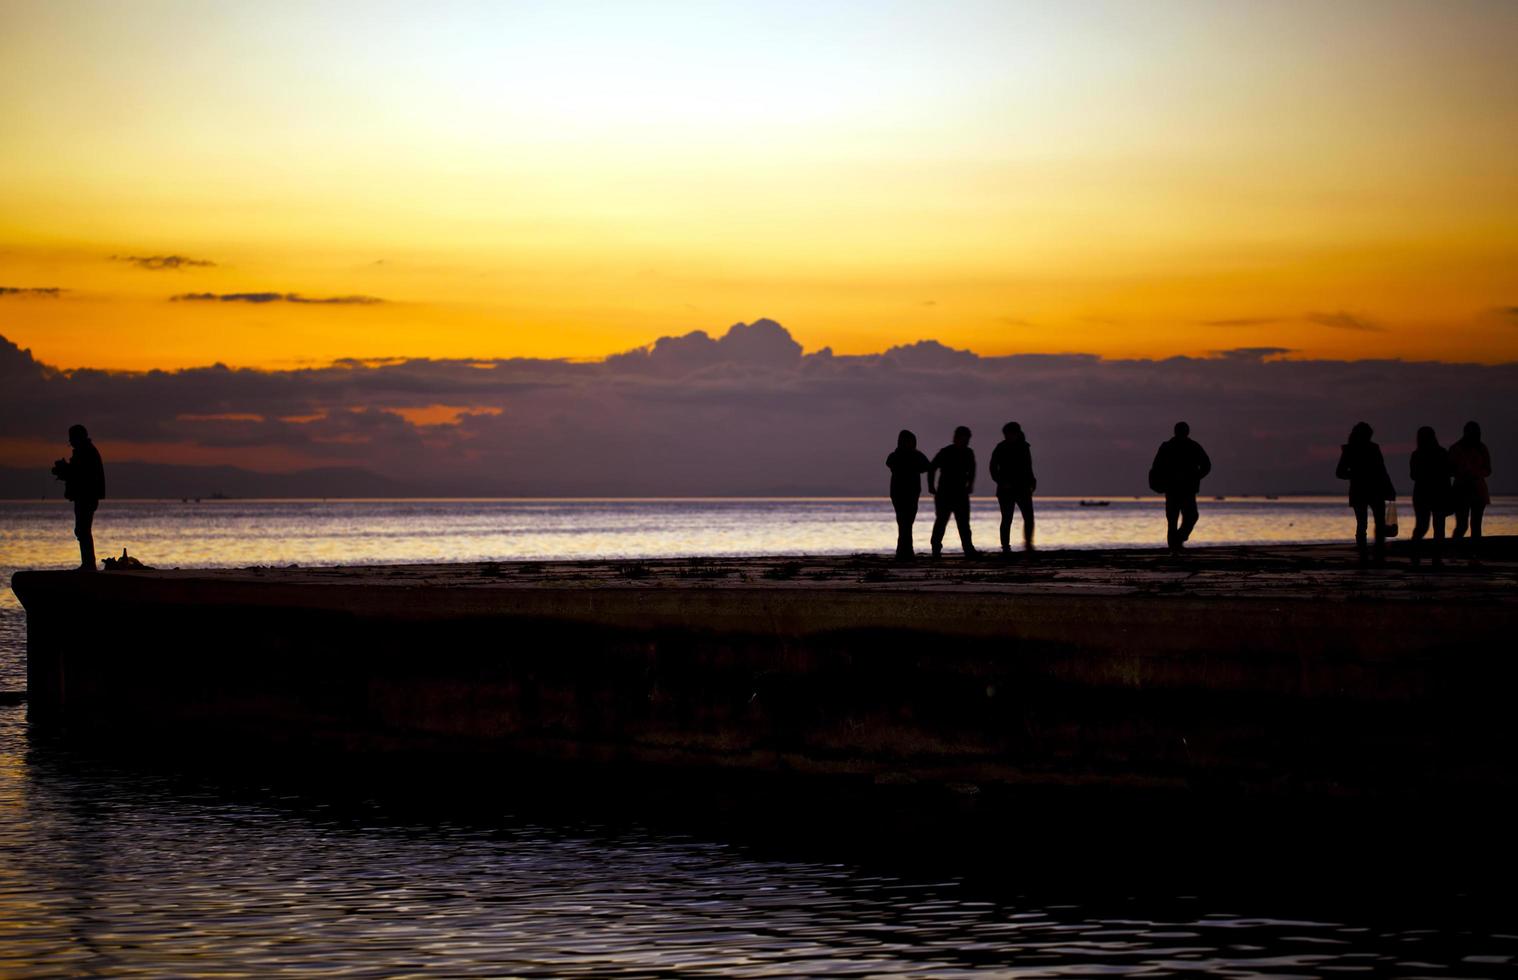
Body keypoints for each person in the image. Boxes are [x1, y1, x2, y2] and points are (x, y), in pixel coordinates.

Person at [1334, 421, 1395, 564]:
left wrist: (1354, 475)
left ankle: (1367, 553)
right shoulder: (1367, 449)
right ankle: (1374, 553)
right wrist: (1356, 475)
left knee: (1365, 523)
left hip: (1364, 490)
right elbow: (1381, 470)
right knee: (1372, 523)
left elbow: (1340, 472)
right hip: (1371, 490)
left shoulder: (1352, 450)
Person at [1148, 421, 1211, 553]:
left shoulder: (1192, 446)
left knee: (1189, 516)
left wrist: (1196, 477)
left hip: (1186, 489)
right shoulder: (1168, 447)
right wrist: (1158, 483)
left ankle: (1178, 539)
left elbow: (1206, 465)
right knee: (1174, 519)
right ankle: (1174, 545)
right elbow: (1156, 468)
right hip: (1173, 488)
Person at [51, 424, 106, 571]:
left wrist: (64, 470)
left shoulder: (86, 452)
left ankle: (89, 565)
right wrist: (65, 471)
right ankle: (88, 564)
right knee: (82, 530)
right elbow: (78, 473)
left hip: (86, 497)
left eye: (72, 439)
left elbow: (81, 475)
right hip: (86, 497)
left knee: (83, 530)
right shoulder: (86, 451)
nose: (71, 442)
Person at [928, 425, 977, 557]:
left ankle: (968, 548)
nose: (965, 441)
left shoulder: (968, 453)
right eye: (963, 438)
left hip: (960, 492)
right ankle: (936, 548)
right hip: (944, 492)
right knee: (941, 521)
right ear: (956, 438)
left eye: (967, 439)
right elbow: (932, 468)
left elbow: (972, 471)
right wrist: (931, 486)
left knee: (963, 523)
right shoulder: (945, 452)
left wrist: (970, 484)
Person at [989, 421, 1036, 552]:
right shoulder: (1001, 447)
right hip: (1006, 490)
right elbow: (993, 468)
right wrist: (1001, 482)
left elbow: (1028, 466)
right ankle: (1005, 546)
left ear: (1016, 433)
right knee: (1007, 518)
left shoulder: (1024, 447)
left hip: (1023, 488)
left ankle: (1028, 544)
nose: (1007, 436)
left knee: (1028, 517)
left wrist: (1032, 480)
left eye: (1009, 434)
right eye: (1006, 434)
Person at [1408, 426, 1451, 566]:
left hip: (1424, 493)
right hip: (1435, 493)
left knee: (1423, 526)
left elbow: (1413, 475)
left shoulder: (1417, 454)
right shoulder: (1441, 453)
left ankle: (1417, 556)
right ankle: (1434, 558)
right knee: (1437, 527)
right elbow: (1448, 473)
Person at [885, 429, 931, 560]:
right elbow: (889, 463)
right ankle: (905, 551)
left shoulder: (914, 455)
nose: (912, 444)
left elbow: (927, 466)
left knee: (906, 521)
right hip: (900, 492)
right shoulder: (896, 455)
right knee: (904, 521)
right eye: (910, 442)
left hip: (911, 492)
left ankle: (904, 550)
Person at [1448, 420, 1491, 548]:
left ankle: (1474, 554)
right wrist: (1461, 472)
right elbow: (1449, 470)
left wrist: (1476, 473)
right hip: (1461, 490)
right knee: (1462, 525)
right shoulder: (1455, 449)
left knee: (1476, 525)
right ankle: (1454, 551)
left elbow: (1488, 469)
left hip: (1478, 490)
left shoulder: (1482, 448)